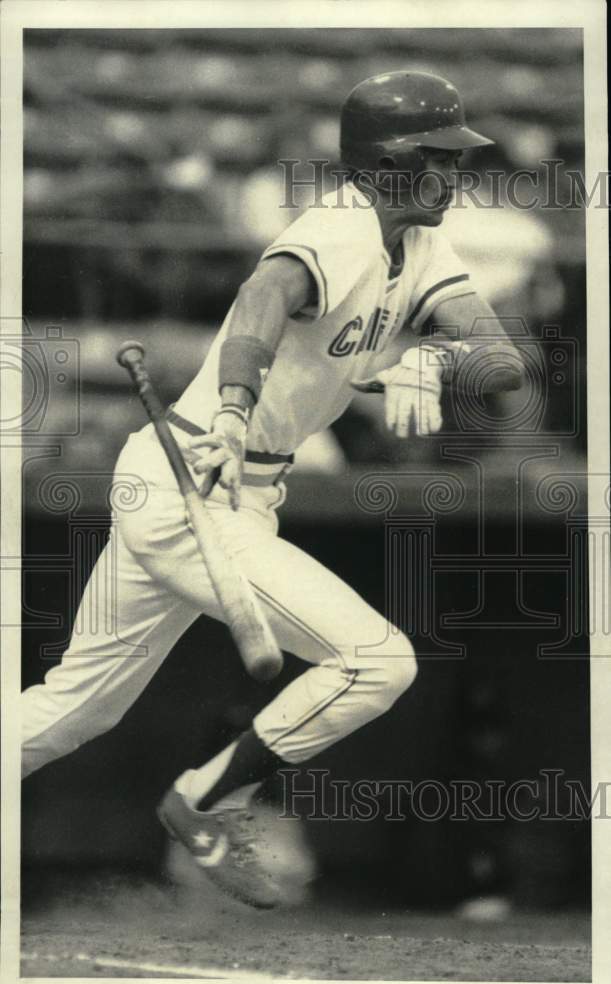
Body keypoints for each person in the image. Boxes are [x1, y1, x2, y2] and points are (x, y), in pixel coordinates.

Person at [22, 71, 525, 908]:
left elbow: (508, 362)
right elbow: (262, 296)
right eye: (440, 157)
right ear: (391, 162)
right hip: (197, 472)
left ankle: (203, 795)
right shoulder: (340, 226)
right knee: (379, 661)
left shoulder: (425, 247)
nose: (456, 173)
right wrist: (230, 405)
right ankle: (205, 798)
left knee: (70, 715)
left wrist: (431, 358)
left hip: (229, 488)